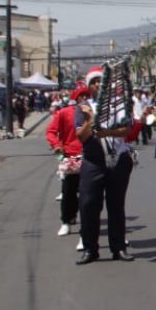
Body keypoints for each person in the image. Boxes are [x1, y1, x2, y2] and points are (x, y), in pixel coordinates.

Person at [74, 67, 136, 265]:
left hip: (118, 159)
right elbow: (81, 136)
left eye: (102, 81)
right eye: (94, 82)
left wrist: (106, 133)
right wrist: (91, 119)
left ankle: (118, 247)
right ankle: (90, 249)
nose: (98, 85)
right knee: (89, 205)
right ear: (89, 86)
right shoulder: (83, 107)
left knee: (116, 205)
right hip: (93, 161)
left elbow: (127, 130)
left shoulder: (120, 106)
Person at [47, 88, 88, 237]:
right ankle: (66, 221)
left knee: (88, 195)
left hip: (90, 158)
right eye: (82, 96)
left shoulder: (95, 113)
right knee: (68, 192)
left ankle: (87, 226)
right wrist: (57, 145)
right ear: (76, 99)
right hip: (71, 156)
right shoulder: (65, 113)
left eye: (88, 96)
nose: (85, 99)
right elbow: (51, 131)